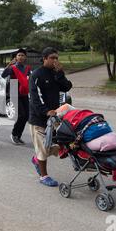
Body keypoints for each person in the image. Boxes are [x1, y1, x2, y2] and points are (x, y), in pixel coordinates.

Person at [29, 47, 73, 187]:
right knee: (43, 147)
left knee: (58, 145)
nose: (55, 60)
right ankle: (44, 176)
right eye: (52, 58)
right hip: (39, 117)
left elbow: (66, 87)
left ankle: (37, 159)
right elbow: (36, 97)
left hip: (54, 117)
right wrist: (46, 111)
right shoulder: (36, 74)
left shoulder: (56, 73)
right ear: (45, 58)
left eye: (57, 58)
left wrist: (60, 73)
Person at [2, 48, 32, 145]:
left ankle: (18, 136)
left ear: (25, 57)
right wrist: (9, 65)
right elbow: (3, 75)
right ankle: (14, 134)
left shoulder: (27, 68)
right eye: (19, 55)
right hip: (14, 92)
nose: (20, 57)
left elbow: (29, 80)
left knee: (26, 115)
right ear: (16, 57)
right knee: (21, 115)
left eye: (22, 55)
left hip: (24, 92)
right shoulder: (12, 67)